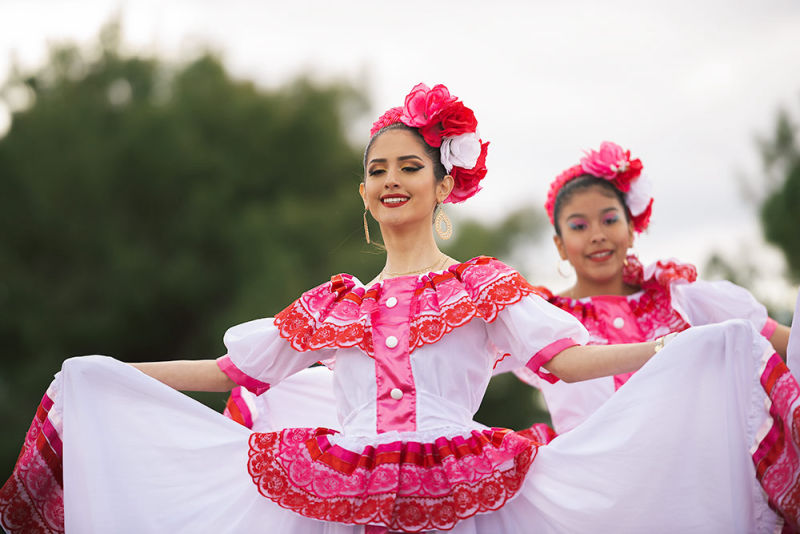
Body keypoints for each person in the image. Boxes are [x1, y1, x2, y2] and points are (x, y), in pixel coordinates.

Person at [1, 84, 797, 534]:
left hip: (460, 487)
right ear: (363, 191)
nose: (391, 178)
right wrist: (110, 372)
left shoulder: (481, 287)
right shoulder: (334, 302)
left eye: (408, 165)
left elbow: (569, 360)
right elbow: (225, 371)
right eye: (376, 167)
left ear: (442, 183)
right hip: (336, 494)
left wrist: (671, 349)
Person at [513, 141, 792, 435]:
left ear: (631, 230)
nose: (597, 235)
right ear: (560, 245)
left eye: (610, 220)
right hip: (589, 479)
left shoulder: (678, 298)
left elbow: (779, 338)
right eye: (579, 226)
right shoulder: (542, 316)